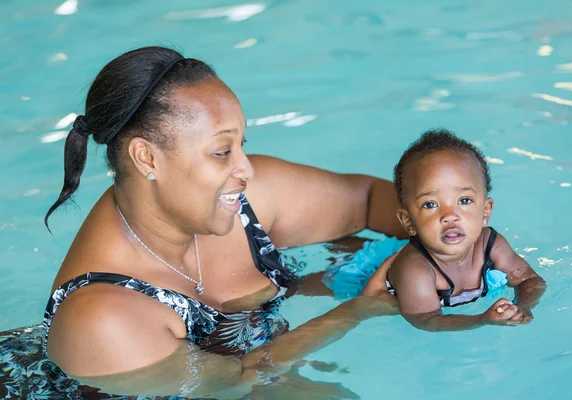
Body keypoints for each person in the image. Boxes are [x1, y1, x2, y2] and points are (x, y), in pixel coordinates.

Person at [39, 46, 408, 397]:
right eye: (221, 152)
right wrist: (358, 308)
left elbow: (368, 199)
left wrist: (453, 231)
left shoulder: (239, 201)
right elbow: (242, 384)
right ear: (146, 158)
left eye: (242, 145)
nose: (245, 170)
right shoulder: (102, 317)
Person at [326, 129, 546, 332]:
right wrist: (481, 319)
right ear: (408, 221)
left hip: (401, 250)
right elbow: (427, 320)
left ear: (485, 212)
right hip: (361, 274)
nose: (450, 215)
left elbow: (531, 280)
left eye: (465, 200)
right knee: (320, 279)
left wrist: (523, 307)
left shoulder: (492, 244)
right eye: (431, 204)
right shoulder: (415, 270)